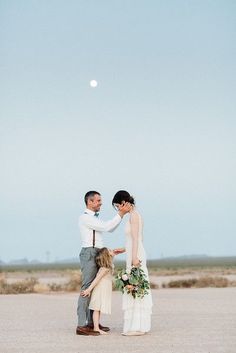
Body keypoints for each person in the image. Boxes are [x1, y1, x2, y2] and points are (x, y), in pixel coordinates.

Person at [76, 190, 131, 336]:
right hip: (89, 253)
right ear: (90, 202)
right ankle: (81, 325)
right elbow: (107, 227)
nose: (101, 203)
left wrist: (109, 252)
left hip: (98, 251)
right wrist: (121, 214)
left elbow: (110, 229)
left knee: (95, 288)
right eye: (98, 200)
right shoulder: (85, 217)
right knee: (87, 287)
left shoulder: (94, 218)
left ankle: (92, 323)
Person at [112, 190, 152, 336]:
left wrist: (134, 257)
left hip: (135, 254)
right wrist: (124, 249)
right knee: (134, 286)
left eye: (118, 206)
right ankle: (138, 325)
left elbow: (136, 239)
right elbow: (135, 239)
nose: (118, 209)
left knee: (135, 285)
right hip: (133, 251)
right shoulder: (134, 215)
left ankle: (136, 326)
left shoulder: (134, 216)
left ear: (124, 202)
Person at [81, 247, 117, 335]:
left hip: (104, 289)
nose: (112, 251)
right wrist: (88, 290)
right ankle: (96, 328)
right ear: (106, 255)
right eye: (110, 250)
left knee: (99, 308)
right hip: (100, 289)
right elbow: (96, 279)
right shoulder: (104, 268)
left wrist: (118, 252)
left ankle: (96, 326)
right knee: (96, 308)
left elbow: (112, 257)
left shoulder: (109, 265)